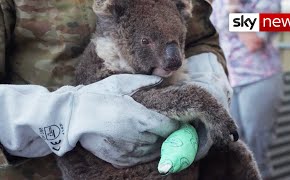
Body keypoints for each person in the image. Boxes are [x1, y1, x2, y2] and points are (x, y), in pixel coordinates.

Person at [0, 0, 233, 178]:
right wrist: (65, 117)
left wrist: (209, 86)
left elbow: (199, 38)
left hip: (175, 165)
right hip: (42, 169)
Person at [211, 0, 283, 178]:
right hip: (229, 81)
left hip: (259, 79)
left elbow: (253, 41)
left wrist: (234, 10)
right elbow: (211, 34)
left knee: (255, 154)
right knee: (233, 148)